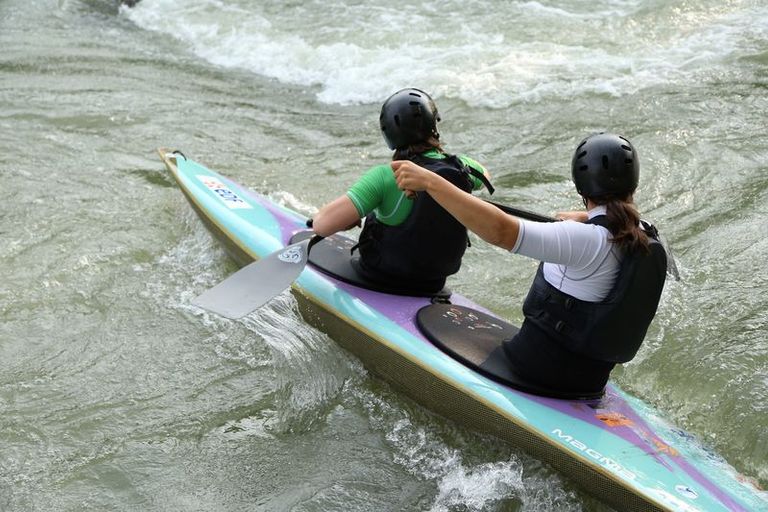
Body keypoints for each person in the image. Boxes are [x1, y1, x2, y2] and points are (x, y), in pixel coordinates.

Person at [392, 133, 667, 395]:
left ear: (581, 185)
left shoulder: (583, 240)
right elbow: (611, 230)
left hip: (536, 370)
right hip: (589, 380)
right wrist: (588, 217)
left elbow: (500, 231)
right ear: (634, 184)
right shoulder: (645, 234)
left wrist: (431, 182)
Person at [312, 88, 492, 293]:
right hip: (433, 284)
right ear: (433, 125)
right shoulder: (462, 168)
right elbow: (485, 176)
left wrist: (341, 219)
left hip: (379, 278)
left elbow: (321, 226)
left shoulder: (385, 176)